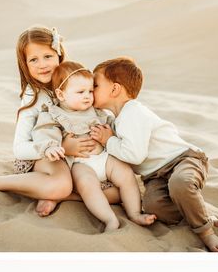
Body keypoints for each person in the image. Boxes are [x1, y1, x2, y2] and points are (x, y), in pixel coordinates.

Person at [0, 26, 118, 217]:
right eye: (33, 59)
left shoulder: (78, 83)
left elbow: (101, 113)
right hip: (45, 155)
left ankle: (54, 195)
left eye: (47, 56)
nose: (42, 64)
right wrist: (62, 146)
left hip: (80, 160)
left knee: (116, 194)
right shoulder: (33, 97)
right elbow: (19, 148)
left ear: (59, 54)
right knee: (61, 184)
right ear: (25, 65)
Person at [90, 57, 218, 252]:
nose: (91, 90)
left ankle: (207, 233)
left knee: (181, 184)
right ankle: (205, 215)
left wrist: (107, 140)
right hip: (155, 175)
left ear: (115, 89)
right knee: (156, 207)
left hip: (182, 159)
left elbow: (134, 156)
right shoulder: (117, 119)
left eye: (95, 85)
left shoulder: (133, 112)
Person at [33, 61, 156, 233]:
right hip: (80, 163)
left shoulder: (97, 112)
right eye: (81, 92)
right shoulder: (54, 114)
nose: (88, 96)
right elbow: (44, 131)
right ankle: (109, 219)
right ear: (61, 94)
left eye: (91, 91)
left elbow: (113, 126)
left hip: (104, 158)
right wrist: (50, 146)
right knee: (87, 184)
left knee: (126, 175)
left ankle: (135, 213)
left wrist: (111, 135)